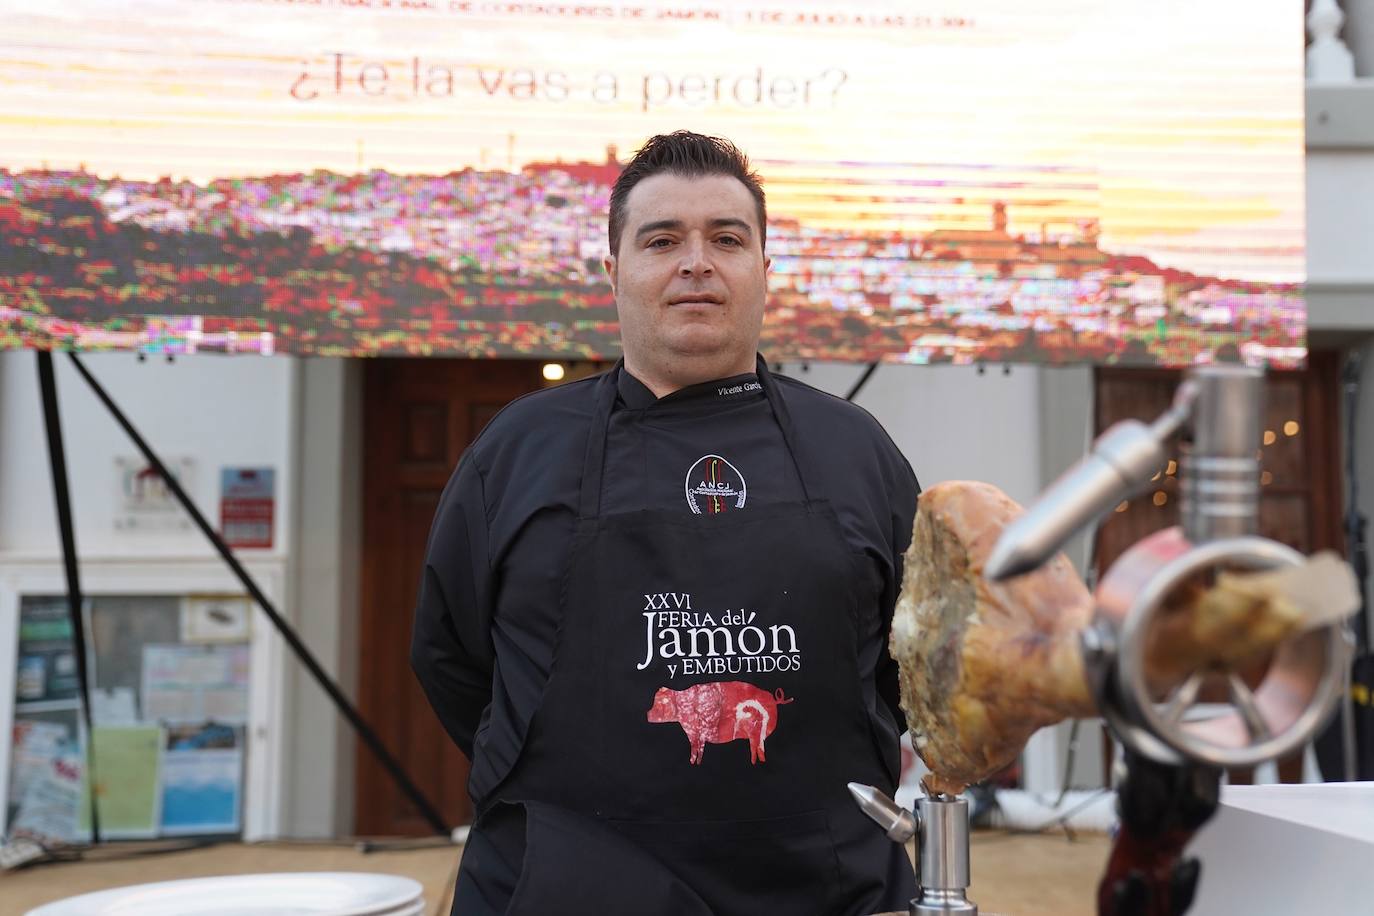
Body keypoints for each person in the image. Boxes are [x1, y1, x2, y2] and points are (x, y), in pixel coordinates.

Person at [411, 130, 921, 915]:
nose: (697, 261)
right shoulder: (516, 452)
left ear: (764, 270)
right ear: (614, 270)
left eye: (727, 238)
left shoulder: (857, 451)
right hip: (563, 887)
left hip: (825, 885)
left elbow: (904, 664)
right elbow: (450, 656)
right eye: (662, 239)